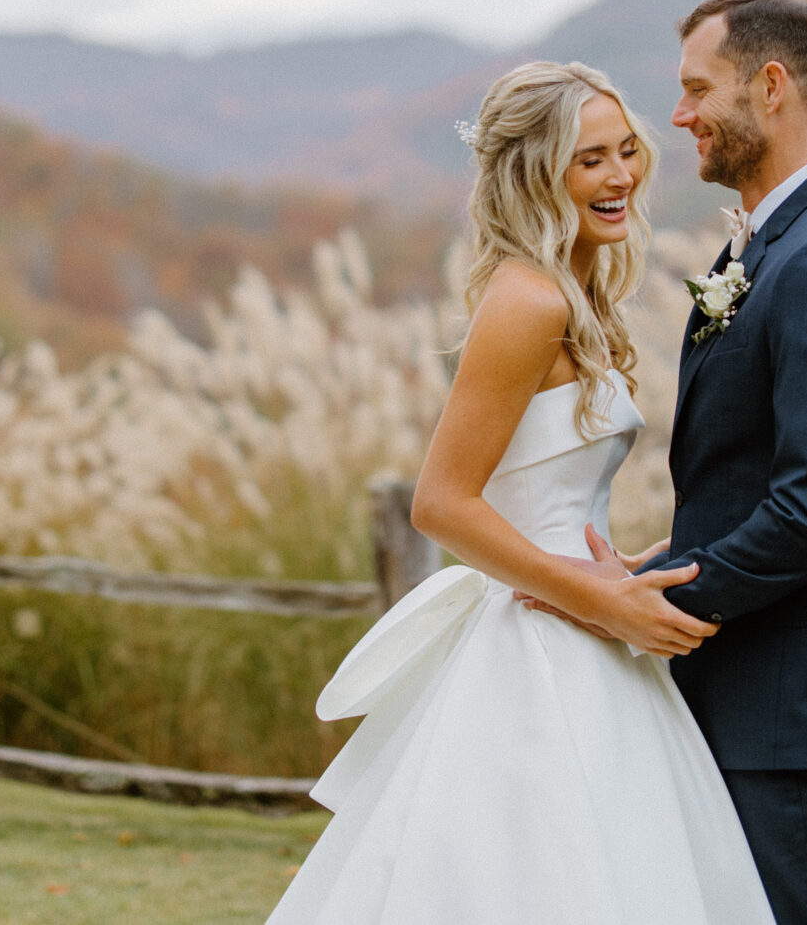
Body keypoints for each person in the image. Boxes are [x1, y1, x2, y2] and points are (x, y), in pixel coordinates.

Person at [266, 60, 775, 925]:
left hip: (587, 624)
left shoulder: (575, 293)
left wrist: (613, 563)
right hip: (539, 643)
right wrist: (597, 599)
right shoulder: (528, 301)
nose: (619, 177)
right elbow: (442, 502)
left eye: (626, 152)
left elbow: (544, 486)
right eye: (590, 162)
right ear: (539, 176)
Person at [539, 0, 807, 925]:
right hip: (749, 696)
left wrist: (646, 600)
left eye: (697, 90)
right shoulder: (771, 247)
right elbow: (752, 480)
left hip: (797, 710)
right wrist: (654, 564)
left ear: (769, 87)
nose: (678, 117)